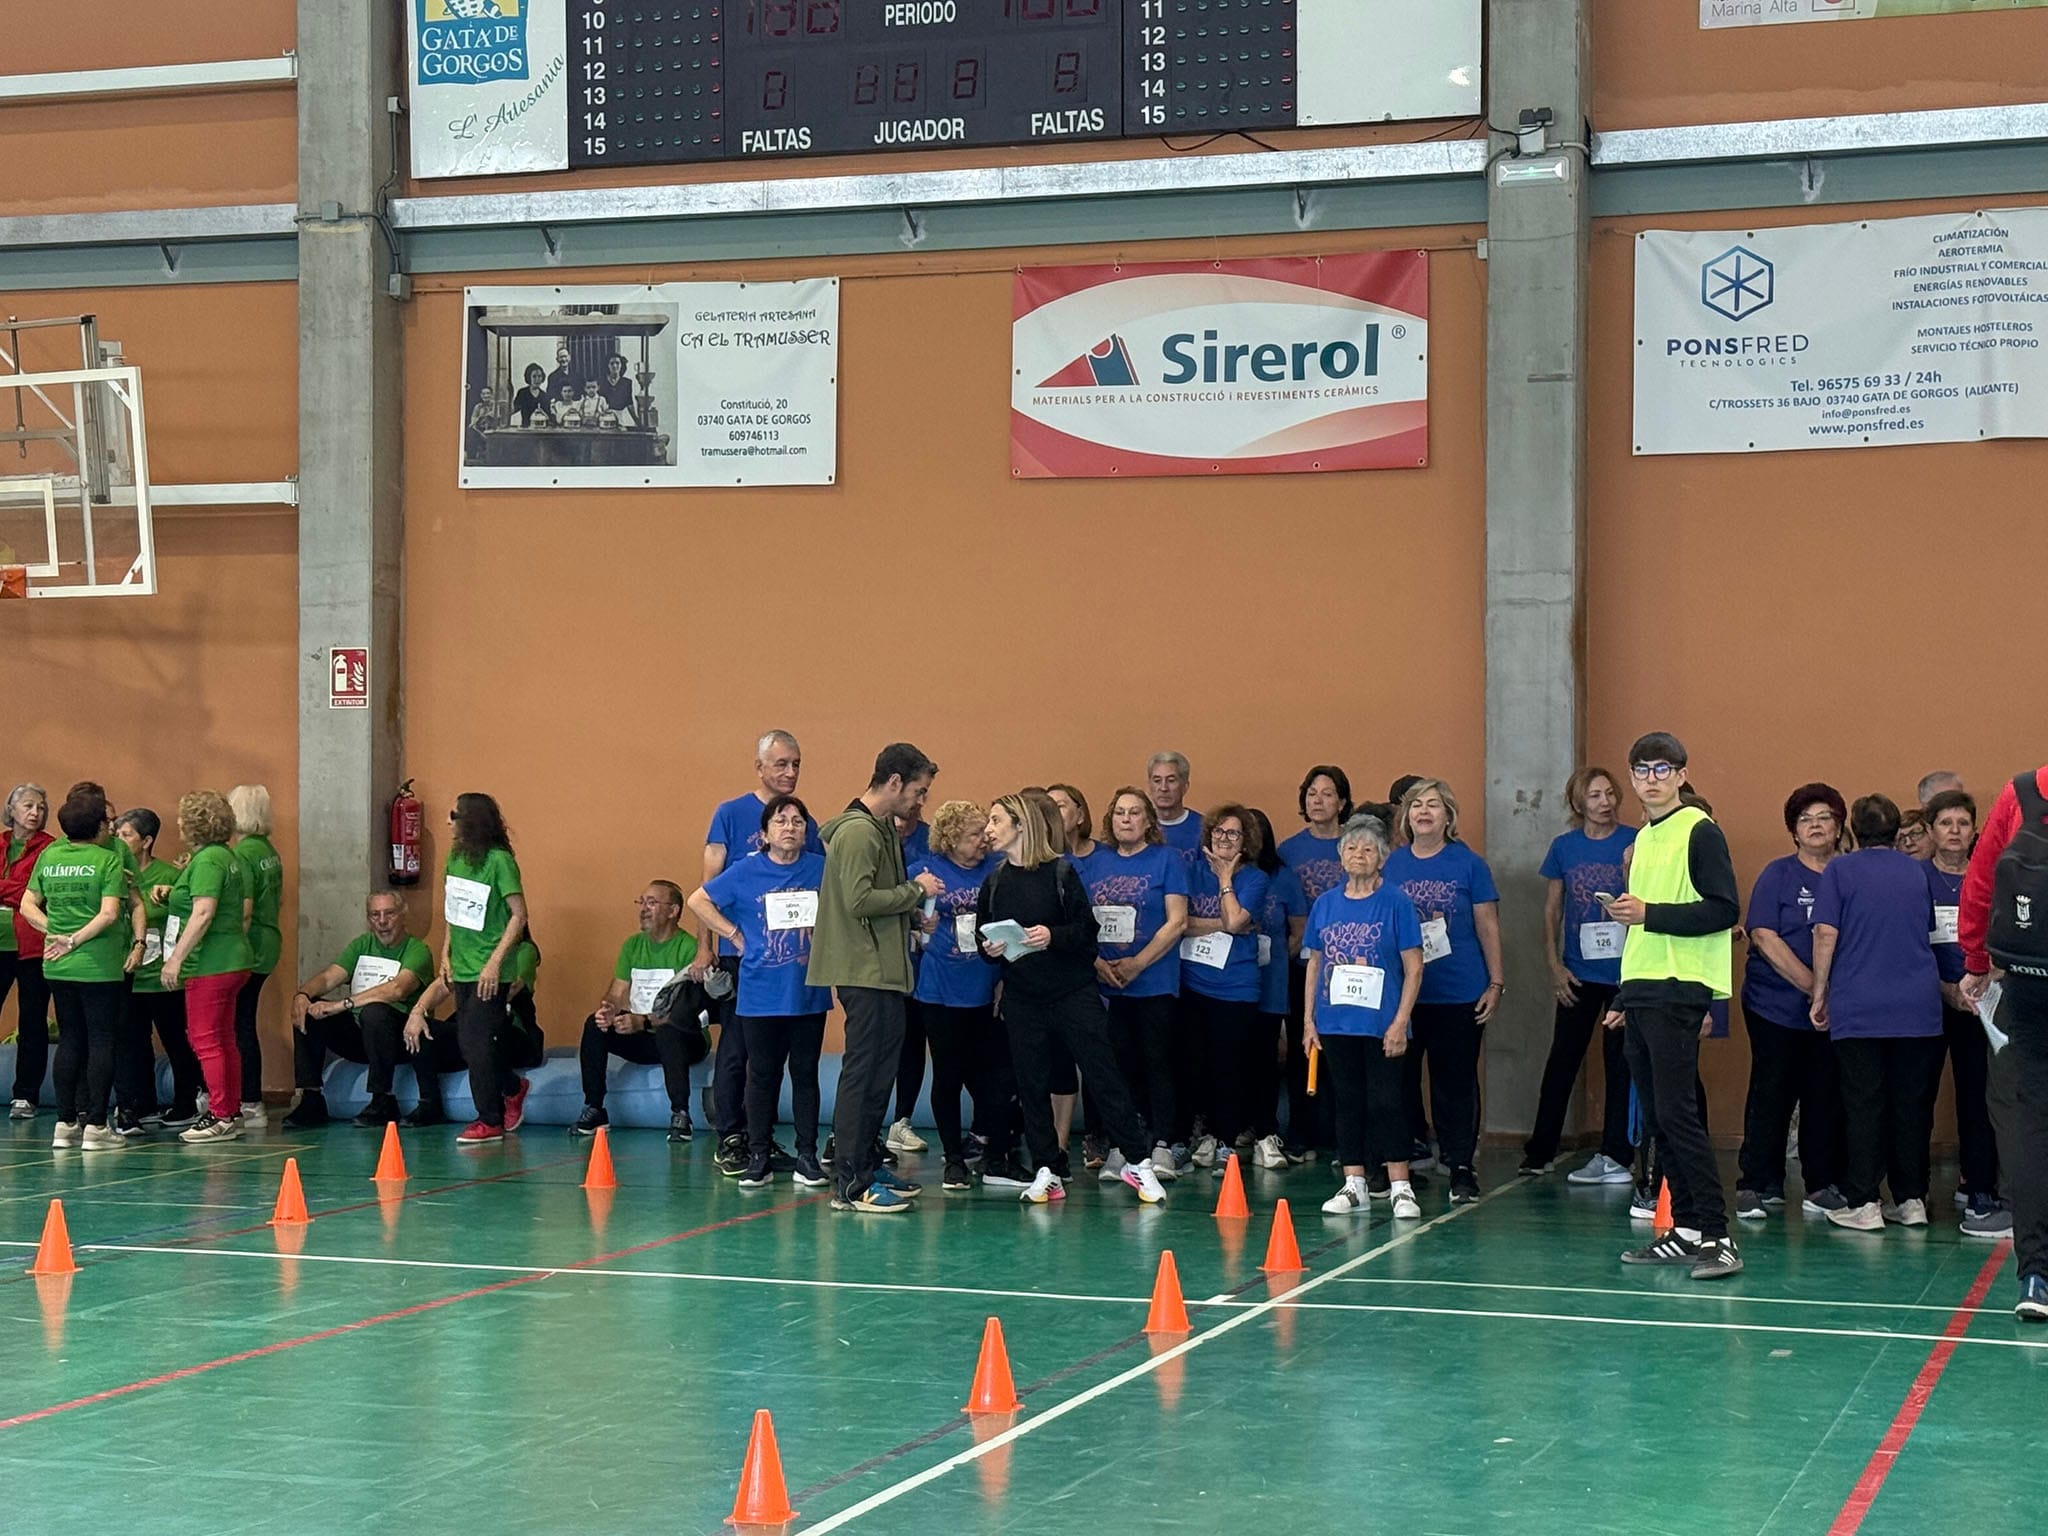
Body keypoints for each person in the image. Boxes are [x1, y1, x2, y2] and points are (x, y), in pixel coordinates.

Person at [976, 794, 1167, 1205]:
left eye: (996, 820)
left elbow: (1085, 932)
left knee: (1103, 1074)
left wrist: (1052, 935)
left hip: (1072, 993)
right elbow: (983, 938)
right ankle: (1047, 1167)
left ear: (1021, 825)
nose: (988, 829)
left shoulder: (1061, 872)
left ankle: (1138, 1160)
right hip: (1023, 998)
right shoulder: (993, 882)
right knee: (1031, 1084)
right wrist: (990, 948)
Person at [1604, 733, 1743, 1280]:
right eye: (1642, 770)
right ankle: (1684, 1228)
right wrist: (1624, 994)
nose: (1652, 778)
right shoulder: (1645, 837)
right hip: (1643, 988)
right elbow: (1640, 928)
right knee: (1659, 1116)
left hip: (1679, 986)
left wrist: (1649, 913)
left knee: (1679, 1114)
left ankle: (1718, 1235)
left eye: (1662, 768)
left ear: (1681, 775)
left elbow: (1723, 909)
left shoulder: (1699, 830)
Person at [808, 743, 945, 1213]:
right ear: (894, 782)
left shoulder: (882, 829)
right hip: (863, 971)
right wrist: (915, 890)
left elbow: (878, 900)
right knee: (862, 1073)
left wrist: (911, 915)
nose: (921, 802)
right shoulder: (858, 832)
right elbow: (859, 901)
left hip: (885, 970)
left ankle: (866, 1161)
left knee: (882, 1072)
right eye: (919, 791)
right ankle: (850, 1182)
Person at [1809, 795, 1945, 1233]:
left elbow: (1826, 933)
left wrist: (1819, 993)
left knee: (1863, 1104)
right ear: (1894, 830)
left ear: (1853, 829)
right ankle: (1912, 1199)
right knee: (1911, 1106)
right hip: (1918, 1006)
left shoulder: (1839, 871)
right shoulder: (1917, 871)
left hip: (1860, 1005)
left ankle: (1864, 1200)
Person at [691, 796, 833, 1189]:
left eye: (798, 822)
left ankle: (807, 1155)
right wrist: (734, 935)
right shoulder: (745, 870)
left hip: (807, 990)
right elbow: (698, 900)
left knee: (805, 1073)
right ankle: (758, 1155)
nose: (790, 827)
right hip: (760, 992)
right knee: (762, 1074)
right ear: (765, 833)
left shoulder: (821, 868)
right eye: (781, 821)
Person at [1730, 784, 1850, 1221]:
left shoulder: (1848, 875)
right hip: (1774, 1006)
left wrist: (1829, 998)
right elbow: (1763, 935)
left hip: (1836, 1012)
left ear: (1839, 827)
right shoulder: (1777, 874)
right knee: (1772, 1091)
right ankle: (1757, 1183)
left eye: (1824, 818)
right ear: (1794, 831)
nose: (1815, 826)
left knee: (1824, 1094)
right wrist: (1815, 989)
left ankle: (1821, 1185)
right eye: (1805, 820)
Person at [1383, 778, 1503, 1204]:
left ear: (1448, 815)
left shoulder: (1469, 864)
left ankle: (1460, 1166)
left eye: (1433, 804)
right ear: (1406, 815)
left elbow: (1487, 926)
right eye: (1416, 805)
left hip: (1459, 991)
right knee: (1399, 1082)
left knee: (1455, 1083)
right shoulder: (1392, 865)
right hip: (1405, 996)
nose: (1424, 811)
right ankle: (1400, 1163)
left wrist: (1496, 981)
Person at [1959, 760, 2048, 1319]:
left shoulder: (2023, 791)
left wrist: (1975, 961)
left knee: (2032, 1126)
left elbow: (1981, 882)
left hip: (2030, 981)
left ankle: (2036, 1275)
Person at [1304, 815, 1426, 1219]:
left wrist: (1400, 1021)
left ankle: (1401, 1187)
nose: (1359, 855)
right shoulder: (1325, 904)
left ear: (1382, 858)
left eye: (1368, 849)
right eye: (1352, 848)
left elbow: (1414, 967)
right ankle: (1353, 1182)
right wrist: (1308, 1021)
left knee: (1387, 1101)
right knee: (1347, 1101)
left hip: (1382, 1023)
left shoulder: (1396, 903)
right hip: (1335, 1022)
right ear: (1341, 856)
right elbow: (1315, 963)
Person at [1522, 766, 1639, 1183]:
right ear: (1578, 803)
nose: (1605, 802)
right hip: (1578, 972)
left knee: (1620, 1063)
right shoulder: (1564, 847)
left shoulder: (1634, 841)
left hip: (1624, 974)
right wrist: (1554, 965)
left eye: (1610, 794)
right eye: (1595, 796)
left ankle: (1616, 1154)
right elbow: (1552, 909)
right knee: (1562, 1059)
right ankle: (1541, 1149)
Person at [908, 800, 1022, 1191]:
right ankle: (954, 1159)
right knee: (948, 1075)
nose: (983, 840)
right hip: (940, 989)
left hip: (986, 986)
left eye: (984, 831)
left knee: (997, 1075)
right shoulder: (926, 872)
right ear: (952, 839)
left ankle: (996, 1155)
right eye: (974, 834)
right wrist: (918, 920)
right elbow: (902, 913)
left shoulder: (997, 869)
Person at [1082, 787, 1189, 1179]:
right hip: (1107, 982)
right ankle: (1121, 1146)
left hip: (1153, 980)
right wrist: (1098, 964)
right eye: (1120, 812)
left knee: (1157, 1062)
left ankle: (1161, 1144)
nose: (1126, 819)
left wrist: (1138, 964)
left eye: (1134, 812)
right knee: (1115, 1066)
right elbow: (1079, 920)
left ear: (1148, 821)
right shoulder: (1096, 862)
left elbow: (1177, 921)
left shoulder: (1166, 859)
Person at [20, 789, 131, 1152]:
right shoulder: (107, 860)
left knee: (70, 1039)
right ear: (99, 826)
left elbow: (27, 905)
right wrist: (75, 939)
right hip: (98, 965)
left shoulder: (50, 855)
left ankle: (65, 1123)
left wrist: (54, 932)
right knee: (101, 1040)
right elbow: (110, 913)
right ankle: (96, 1125)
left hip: (57, 965)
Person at [283, 891, 436, 1128]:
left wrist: (341, 1005)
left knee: (374, 1012)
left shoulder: (417, 950)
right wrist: (302, 995)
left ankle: (382, 1098)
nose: (382, 921)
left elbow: (397, 989)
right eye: (375, 915)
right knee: (310, 1011)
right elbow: (328, 978)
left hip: (399, 1039)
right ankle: (311, 1098)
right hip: (361, 1037)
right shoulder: (362, 945)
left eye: (389, 914)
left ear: (402, 915)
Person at [573, 881, 707, 1141]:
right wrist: (608, 1010)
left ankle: (681, 1114)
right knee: (594, 1025)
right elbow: (616, 992)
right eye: (641, 902)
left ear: (673, 911)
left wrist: (643, 1022)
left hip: (685, 1037)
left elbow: (686, 1011)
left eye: (652, 903)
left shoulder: (689, 948)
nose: (643, 909)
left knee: (669, 1031)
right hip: (644, 1033)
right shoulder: (632, 946)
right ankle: (595, 1107)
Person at [1925, 788, 2003, 1234]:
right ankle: (1911, 1191)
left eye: (1963, 823)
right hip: (1927, 1004)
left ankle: (1979, 1190)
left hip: (1979, 1004)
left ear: (1975, 831)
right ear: (1931, 830)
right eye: (1945, 823)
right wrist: (1945, 989)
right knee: (1917, 1097)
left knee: (1978, 1098)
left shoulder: (1988, 877)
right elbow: (1908, 944)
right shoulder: (1917, 879)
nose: (1954, 831)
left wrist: (1978, 984)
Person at [1178, 805, 1271, 1171]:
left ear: (1246, 841)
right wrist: (1223, 923)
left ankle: (1226, 1141)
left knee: (1229, 1068)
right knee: (1191, 1066)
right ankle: (1194, 1137)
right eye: (1218, 831)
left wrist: (1225, 878)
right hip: (1192, 983)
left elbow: (1235, 921)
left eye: (1233, 833)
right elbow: (1182, 922)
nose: (1224, 839)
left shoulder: (1256, 879)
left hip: (1235, 989)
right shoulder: (1190, 872)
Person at [159, 790, 254, 1144]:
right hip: (233, 958)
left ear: (194, 824)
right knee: (224, 1039)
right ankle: (230, 1109)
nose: (179, 824)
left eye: (182, 818)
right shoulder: (224, 856)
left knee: (205, 1039)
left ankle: (220, 1114)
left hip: (212, 962)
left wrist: (176, 958)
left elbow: (203, 912)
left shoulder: (208, 862)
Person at [440, 792, 533, 1145]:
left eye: (453, 815)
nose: (448, 822)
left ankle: (489, 1119)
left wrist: (495, 962)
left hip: (489, 968)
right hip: (462, 965)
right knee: (468, 1042)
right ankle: (512, 1086)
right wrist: (445, 952)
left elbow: (518, 916)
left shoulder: (499, 862)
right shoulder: (454, 857)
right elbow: (453, 911)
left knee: (476, 1043)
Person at [114, 808, 203, 1130]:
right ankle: (144, 1103)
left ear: (146, 841)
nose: (119, 841)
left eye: (127, 835)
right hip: (129, 973)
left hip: (162, 974)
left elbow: (186, 918)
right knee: (134, 1041)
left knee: (174, 1038)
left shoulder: (169, 875)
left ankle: (186, 1101)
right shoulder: (116, 874)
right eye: (117, 835)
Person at [1247, 807, 1305, 1170]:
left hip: (1272, 983)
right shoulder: (1226, 876)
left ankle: (1266, 1130)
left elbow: (1300, 930)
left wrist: (1280, 956)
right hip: (1230, 982)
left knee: (1266, 1059)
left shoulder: (1283, 877)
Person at [885, 800, 940, 1158]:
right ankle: (860, 1131)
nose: (902, 825)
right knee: (886, 1045)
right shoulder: (871, 841)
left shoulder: (932, 842)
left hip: (928, 964)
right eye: (896, 819)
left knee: (917, 1042)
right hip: (888, 964)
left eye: (909, 818)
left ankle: (901, 1120)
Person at [229, 785, 284, 1128]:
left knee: (238, 1024)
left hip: (250, 944)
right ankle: (250, 1099)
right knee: (244, 1021)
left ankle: (249, 1099)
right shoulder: (268, 850)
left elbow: (244, 910)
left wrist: (232, 947)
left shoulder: (243, 854)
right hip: (269, 939)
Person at [2, 783, 54, 1118]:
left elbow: (32, 892)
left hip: (31, 945)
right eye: (28, 806)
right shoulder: (1, 842)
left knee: (33, 1020)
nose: (35, 812)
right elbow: (19, 891)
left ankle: (25, 1095)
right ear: (12, 809)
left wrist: (8, 891)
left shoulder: (50, 848)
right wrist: (15, 891)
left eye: (41, 807)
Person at [1147, 752, 1204, 868]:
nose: (1163, 788)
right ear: (1149, 786)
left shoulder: (1203, 827)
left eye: (1171, 780)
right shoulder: (1138, 825)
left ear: (1185, 786)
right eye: (1157, 781)